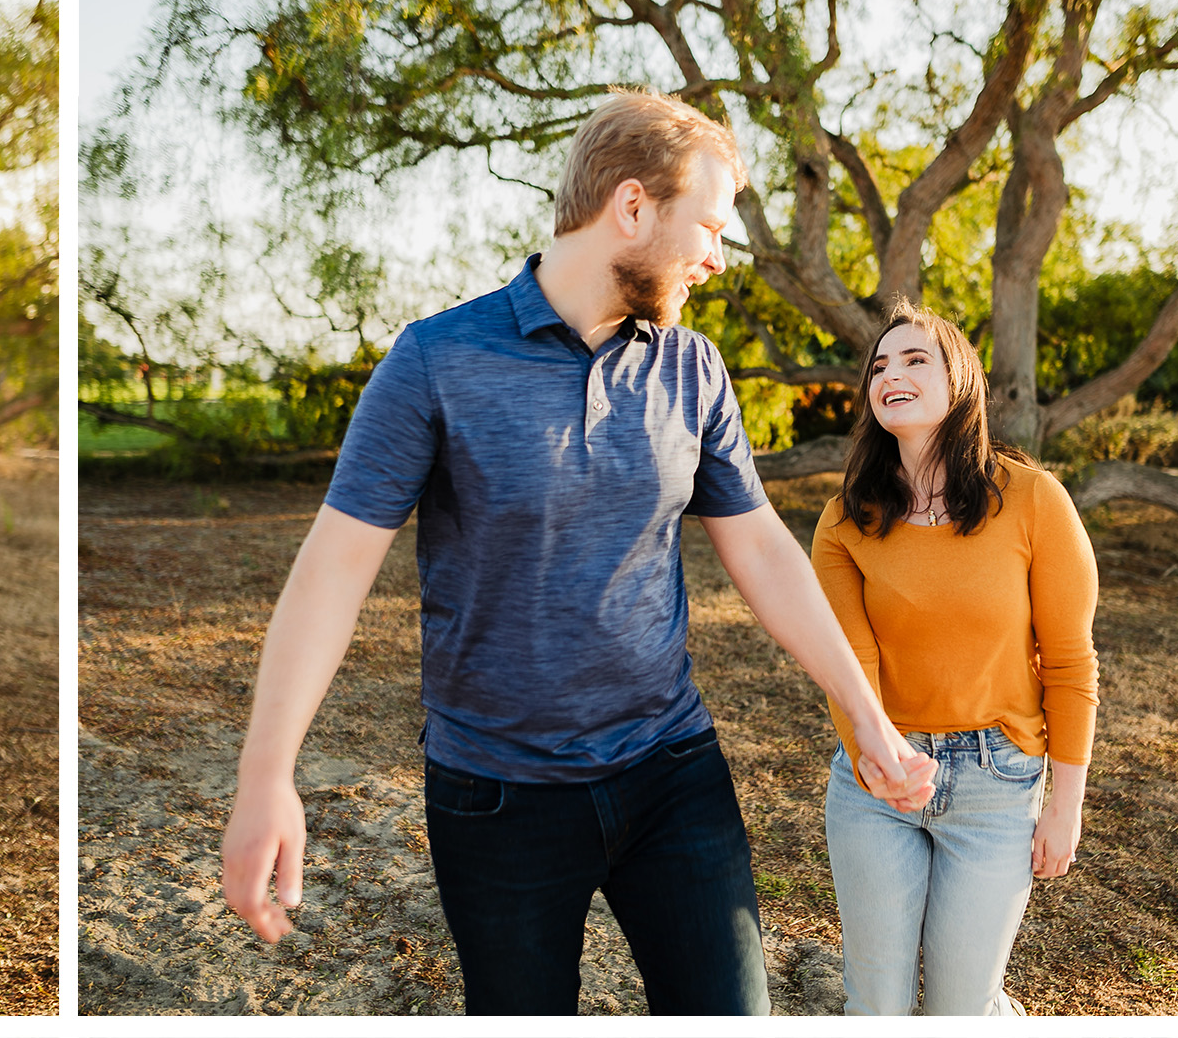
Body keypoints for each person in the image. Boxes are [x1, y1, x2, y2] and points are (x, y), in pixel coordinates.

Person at [218, 90, 941, 1015]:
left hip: (672, 769)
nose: (718, 260)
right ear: (631, 208)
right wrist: (266, 774)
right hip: (498, 795)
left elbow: (761, 547)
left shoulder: (694, 367)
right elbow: (333, 569)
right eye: (710, 228)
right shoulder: (436, 360)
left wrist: (867, 716)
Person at [809, 304, 1098, 1015]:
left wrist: (1065, 806)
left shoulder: (1034, 501)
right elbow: (850, 663)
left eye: (915, 359)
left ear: (960, 381)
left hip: (997, 784)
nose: (891, 374)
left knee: (960, 1008)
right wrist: (879, 758)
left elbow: (1069, 662)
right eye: (879, 365)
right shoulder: (844, 521)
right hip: (878, 779)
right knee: (876, 1005)